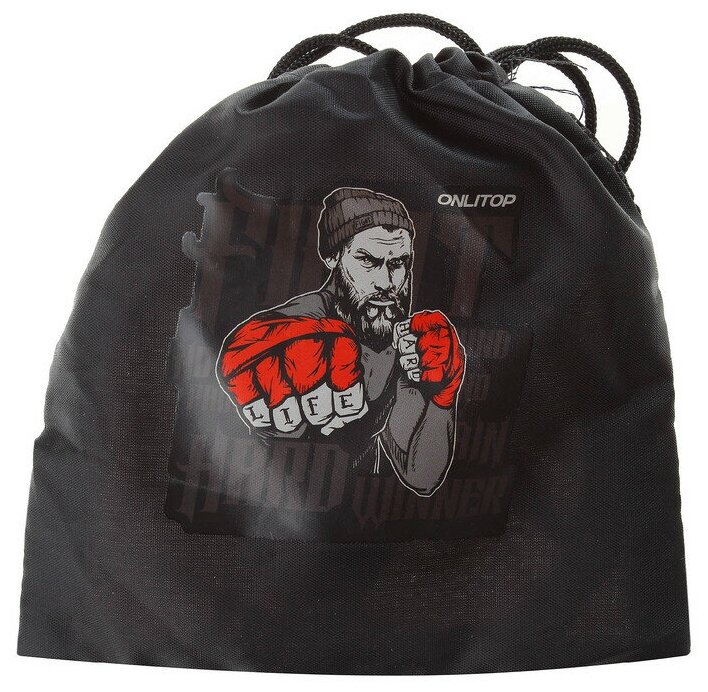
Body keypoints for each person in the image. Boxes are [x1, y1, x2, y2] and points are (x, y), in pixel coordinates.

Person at [216, 187, 465, 496]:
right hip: (280, 511)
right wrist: (251, 356)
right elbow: (263, 339)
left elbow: (421, 475)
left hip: (365, 513)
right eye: (368, 260)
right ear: (333, 256)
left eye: (398, 263)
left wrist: (443, 395)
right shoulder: (310, 321)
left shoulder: (398, 336)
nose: (386, 283)